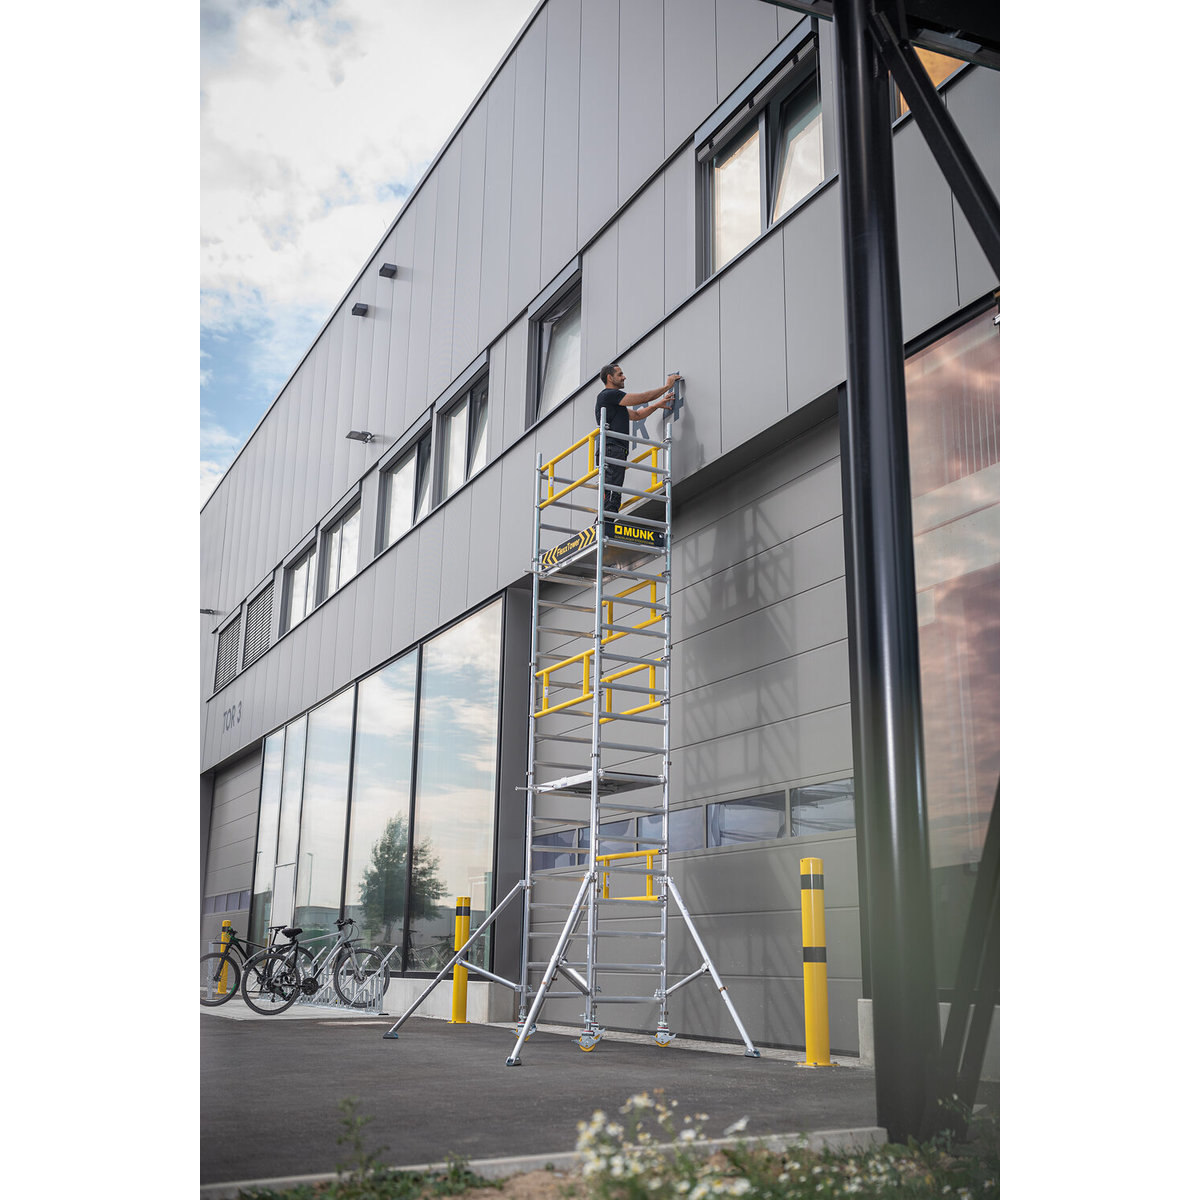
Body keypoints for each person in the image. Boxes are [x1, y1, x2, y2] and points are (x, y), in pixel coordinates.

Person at [594, 364, 679, 514]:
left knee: (613, 495)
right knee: (612, 496)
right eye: (620, 374)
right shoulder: (608, 395)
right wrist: (667, 386)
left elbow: (637, 415)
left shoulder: (614, 402)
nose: (624, 377)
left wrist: (656, 405)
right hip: (612, 449)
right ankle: (605, 524)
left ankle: (605, 523)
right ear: (610, 378)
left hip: (614, 450)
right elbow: (644, 397)